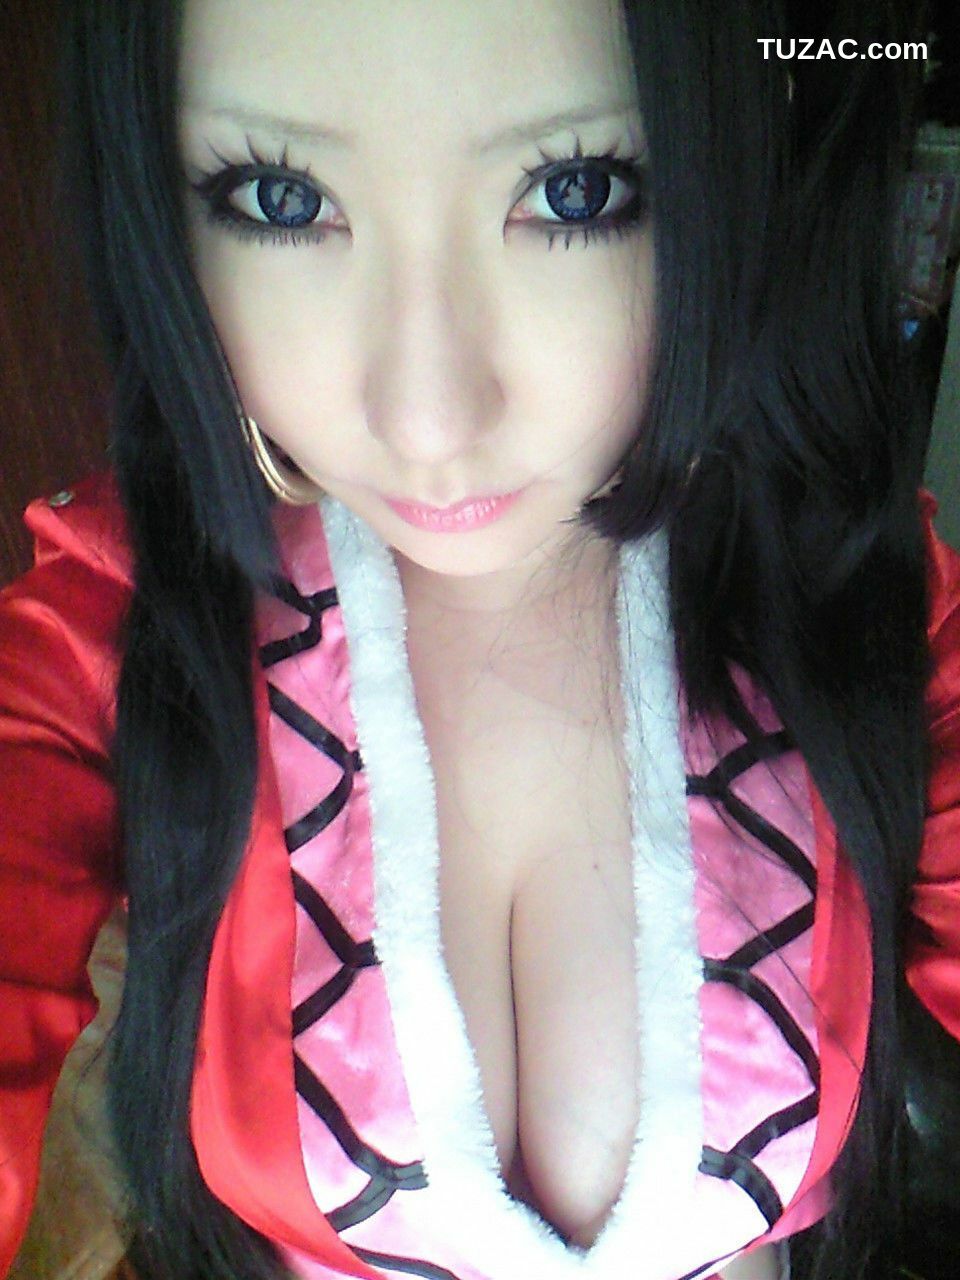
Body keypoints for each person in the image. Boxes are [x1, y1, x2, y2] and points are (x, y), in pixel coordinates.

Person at [1, 0, 958, 1278]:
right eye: (282, 200)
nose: (429, 416)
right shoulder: (113, 624)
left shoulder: (866, 599)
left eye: (575, 190)